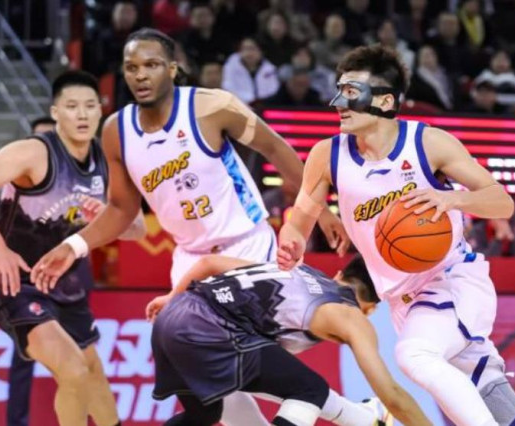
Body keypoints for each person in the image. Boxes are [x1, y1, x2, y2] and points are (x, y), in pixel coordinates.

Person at [30, 28, 348, 426]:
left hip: (247, 249)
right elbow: (121, 209)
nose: (140, 75)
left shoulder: (211, 107)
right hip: (189, 262)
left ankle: (360, 414)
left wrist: (319, 209)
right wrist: (74, 246)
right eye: (131, 67)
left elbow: (274, 147)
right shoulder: (116, 131)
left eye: (151, 65)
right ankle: (363, 415)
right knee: (223, 383)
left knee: (255, 369)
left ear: (172, 69)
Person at [277, 45, 515, 426]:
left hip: (452, 279)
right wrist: (292, 239)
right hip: (403, 300)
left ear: (385, 100)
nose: (338, 104)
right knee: (512, 416)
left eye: (351, 93)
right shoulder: (326, 155)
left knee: (414, 354)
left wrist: (450, 198)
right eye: (339, 91)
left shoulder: (428, 143)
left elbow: (502, 203)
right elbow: (300, 221)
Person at [0, 71, 144, 426]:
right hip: (14, 281)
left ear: (100, 111)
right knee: (73, 369)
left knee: (93, 372)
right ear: (56, 112)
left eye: (90, 106)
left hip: (63, 281)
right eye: (72, 106)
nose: (82, 114)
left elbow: (137, 229)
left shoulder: (108, 162)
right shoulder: (34, 152)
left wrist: (106, 215)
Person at [144, 254, 431, 426]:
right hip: (212, 327)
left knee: (204, 416)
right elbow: (392, 395)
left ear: (340, 273)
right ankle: (367, 417)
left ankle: (366, 418)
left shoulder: (299, 269)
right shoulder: (352, 316)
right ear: (373, 307)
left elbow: (209, 262)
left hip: (172, 317)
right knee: (310, 389)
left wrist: (171, 297)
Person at [4, 115, 56, 426]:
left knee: (81, 360)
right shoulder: (16, 181)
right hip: (26, 282)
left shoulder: (82, 179)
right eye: (38, 139)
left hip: (68, 281)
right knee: (23, 358)